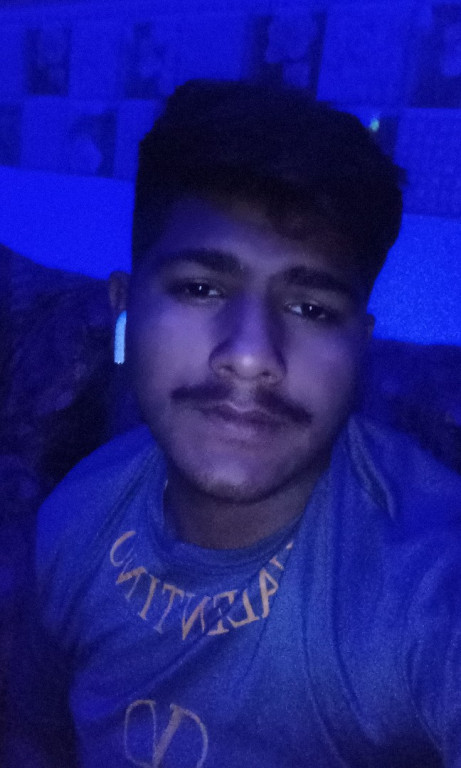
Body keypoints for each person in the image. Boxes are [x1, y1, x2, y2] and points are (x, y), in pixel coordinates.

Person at [6, 79, 461, 767]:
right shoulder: (75, 518)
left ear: (358, 347)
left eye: (311, 309)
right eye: (200, 288)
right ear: (125, 307)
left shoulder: (426, 586)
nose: (250, 356)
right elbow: (33, 735)